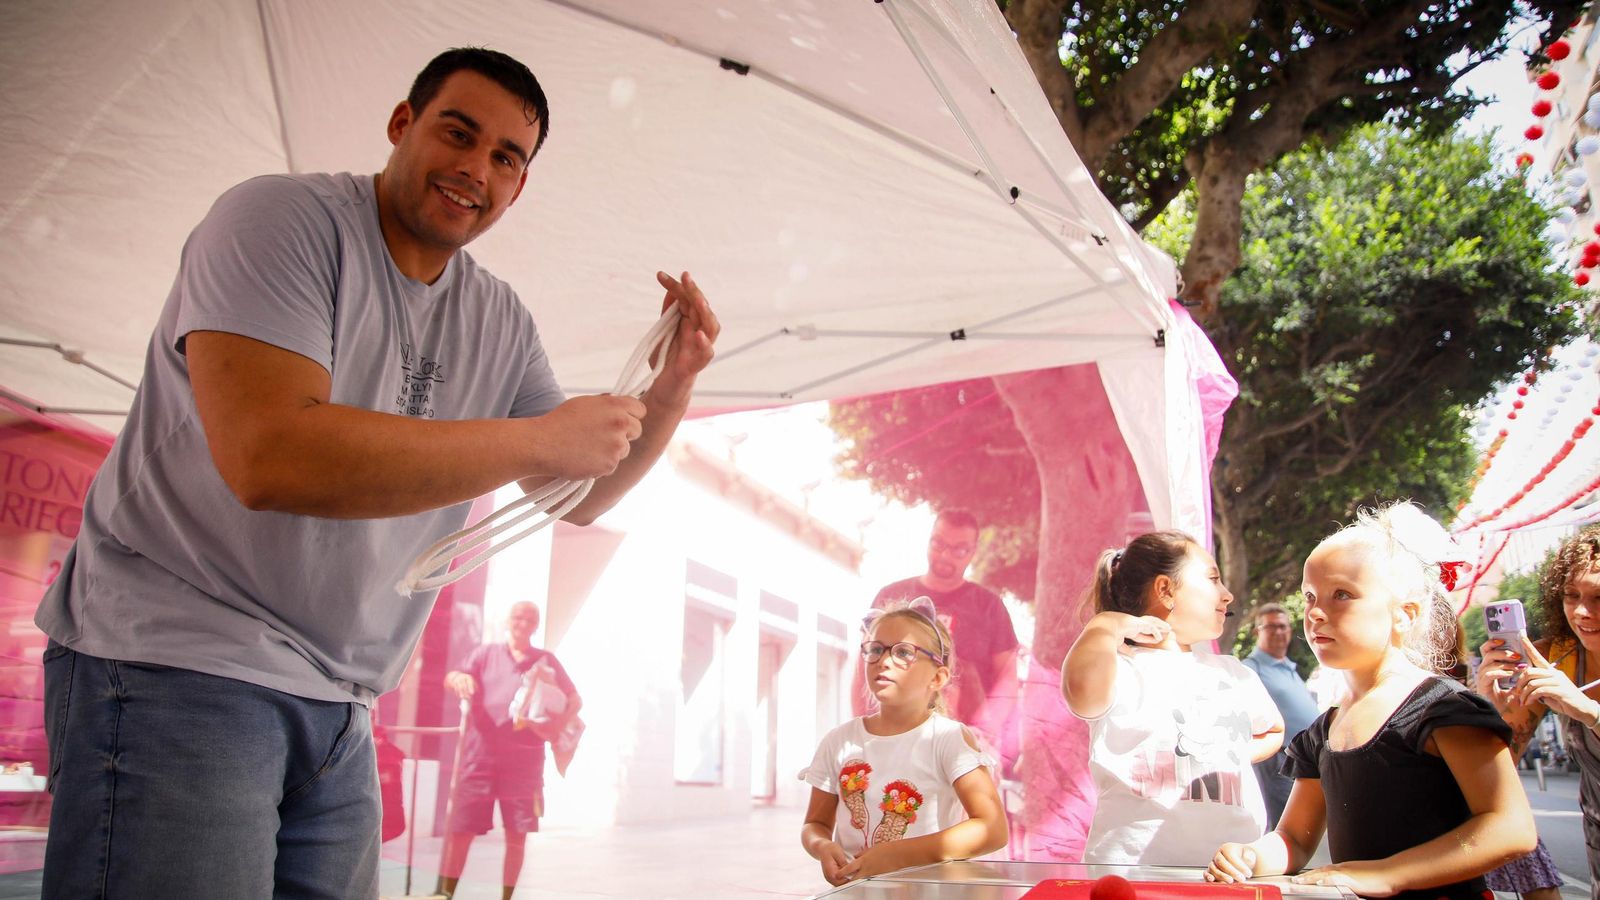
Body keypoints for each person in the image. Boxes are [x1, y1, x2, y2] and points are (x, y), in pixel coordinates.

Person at [36, 47, 720, 898]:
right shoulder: (277, 220)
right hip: (177, 664)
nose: (476, 168)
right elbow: (270, 456)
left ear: (520, 185)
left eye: (506, 157)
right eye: (457, 133)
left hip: (344, 707)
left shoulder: (499, 317)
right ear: (402, 125)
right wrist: (540, 442)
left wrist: (674, 384)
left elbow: (580, 494)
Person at [1208, 502, 1536, 899]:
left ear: (1405, 614)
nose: (1315, 613)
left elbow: (1511, 827)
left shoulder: (1443, 709)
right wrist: (1250, 857)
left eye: (1341, 594)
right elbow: (1294, 837)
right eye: (1310, 596)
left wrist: (1390, 874)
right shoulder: (1323, 730)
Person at [1061, 530, 1283, 865]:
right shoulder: (1122, 669)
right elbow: (1080, 692)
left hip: (1232, 874)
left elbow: (1272, 730)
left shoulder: (1233, 672)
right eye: (1213, 579)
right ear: (1165, 590)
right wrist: (1106, 625)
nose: (1228, 595)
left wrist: (1225, 754)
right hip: (1133, 877)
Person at [801, 597, 1008, 887]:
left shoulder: (947, 739)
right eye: (875, 650)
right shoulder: (839, 742)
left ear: (937, 677)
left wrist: (898, 854)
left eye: (902, 652)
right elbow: (815, 824)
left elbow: (992, 828)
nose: (883, 661)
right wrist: (822, 846)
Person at [1477, 522, 1600, 898]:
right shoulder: (1555, 657)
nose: (1582, 611)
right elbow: (1500, 769)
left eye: (1599, 598)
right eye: (1571, 595)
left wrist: (1590, 712)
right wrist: (1494, 712)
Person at [853, 510, 1019, 767]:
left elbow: (1007, 678)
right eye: (938, 543)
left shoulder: (989, 606)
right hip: (896, 743)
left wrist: (984, 732)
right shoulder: (892, 595)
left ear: (973, 552)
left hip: (966, 749)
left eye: (959, 549)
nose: (945, 554)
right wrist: (862, 731)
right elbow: (864, 667)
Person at [437, 601, 578, 899]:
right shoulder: (485, 654)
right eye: (518, 617)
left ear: (536, 625)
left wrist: (555, 724)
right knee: (461, 831)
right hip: (480, 759)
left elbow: (575, 699)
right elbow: (452, 676)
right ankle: (445, 894)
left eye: (530, 619)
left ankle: (506, 897)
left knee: (517, 835)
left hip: (525, 764)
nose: (523, 623)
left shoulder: (546, 660)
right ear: (508, 620)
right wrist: (459, 678)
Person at [1239, 602, 1320, 829]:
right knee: (1284, 828)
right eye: (1271, 627)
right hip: (1278, 760)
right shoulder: (1250, 669)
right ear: (1258, 632)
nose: (1279, 632)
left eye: (1283, 626)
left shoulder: (1289, 668)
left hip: (1306, 762)